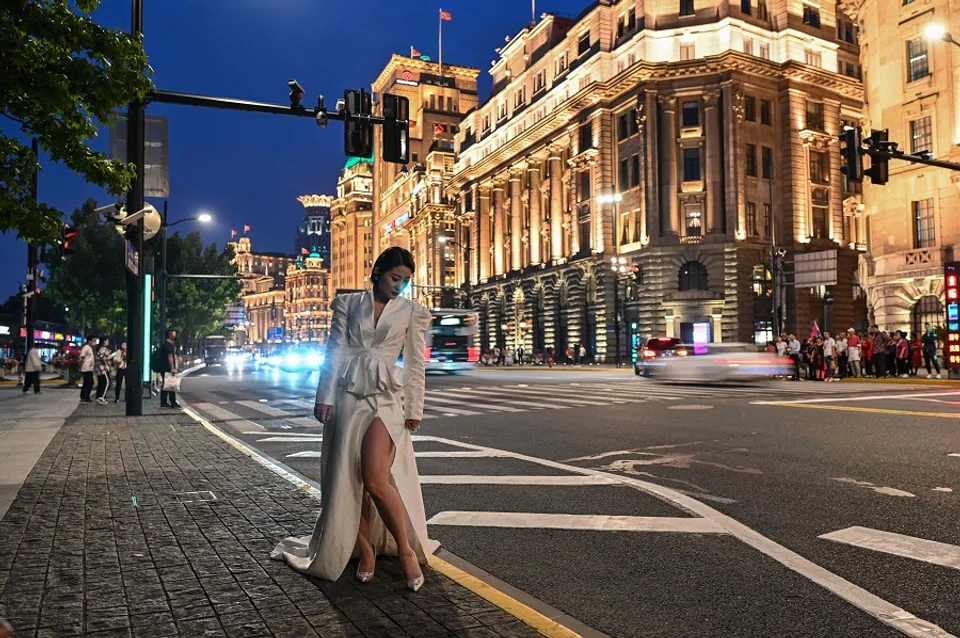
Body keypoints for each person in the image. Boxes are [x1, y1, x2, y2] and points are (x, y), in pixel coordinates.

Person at [272, 247, 435, 590]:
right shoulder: (348, 304)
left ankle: (405, 550)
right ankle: (366, 550)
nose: (400, 286)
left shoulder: (412, 312)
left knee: (376, 478)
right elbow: (335, 352)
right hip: (348, 395)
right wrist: (324, 397)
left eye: (406, 281)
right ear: (378, 272)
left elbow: (417, 364)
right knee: (352, 480)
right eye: (395, 278)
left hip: (386, 398)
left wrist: (415, 408)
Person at [159, 330, 181, 409]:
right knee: (169, 385)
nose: (175, 336)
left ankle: (170, 402)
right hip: (167, 368)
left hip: (165, 368)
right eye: (174, 334)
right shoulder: (168, 346)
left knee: (169, 385)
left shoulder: (167, 345)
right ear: (170, 335)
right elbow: (169, 357)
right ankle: (167, 402)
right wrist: (172, 368)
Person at [95, 337, 112, 405]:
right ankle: (101, 397)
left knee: (101, 383)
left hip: (99, 368)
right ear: (104, 341)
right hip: (102, 368)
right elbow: (103, 358)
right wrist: (107, 365)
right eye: (107, 340)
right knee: (107, 382)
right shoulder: (103, 349)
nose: (108, 342)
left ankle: (99, 397)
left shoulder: (100, 348)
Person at [79, 336, 97, 403]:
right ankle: (85, 397)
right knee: (89, 383)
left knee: (87, 383)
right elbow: (82, 357)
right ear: (89, 341)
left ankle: (84, 396)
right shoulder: (86, 347)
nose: (94, 342)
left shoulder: (90, 348)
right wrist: (80, 366)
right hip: (86, 367)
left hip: (89, 368)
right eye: (93, 340)